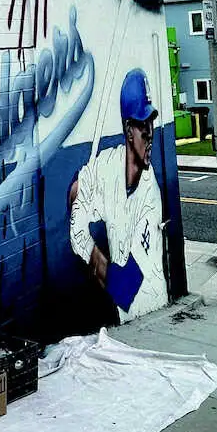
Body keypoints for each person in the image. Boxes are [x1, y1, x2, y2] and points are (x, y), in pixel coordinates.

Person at [68, 68, 168, 322]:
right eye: (142, 124)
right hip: (124, 316)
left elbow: (126, 288)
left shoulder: (150, 195)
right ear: (128, 129)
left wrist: (83, 242)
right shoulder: (109, 164)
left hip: (147, 312)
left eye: (151, 122)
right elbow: (76, 190)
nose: (150, 133)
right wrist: (80, 210)